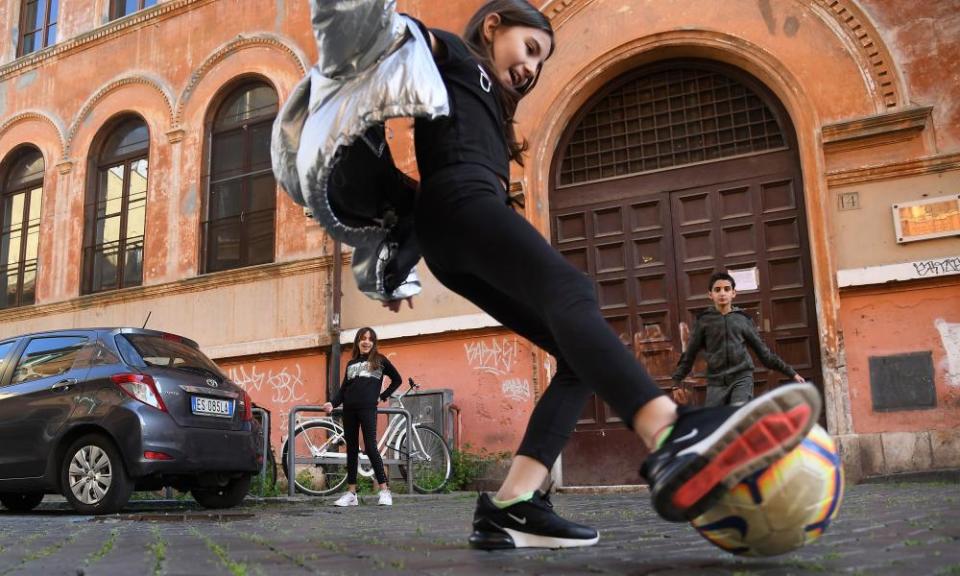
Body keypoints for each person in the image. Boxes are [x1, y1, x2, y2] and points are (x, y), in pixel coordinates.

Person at [274, 0, 820, 550]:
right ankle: (671, 431)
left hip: (454, 229)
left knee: (575, 358)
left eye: (542, 62)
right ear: (493, 26)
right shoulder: (463, 59)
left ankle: (514, 505)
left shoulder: (486, 102)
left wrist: (406, 255)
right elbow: (394, 31)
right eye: (531, 48)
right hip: (461, 208)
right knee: (573, 290)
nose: (533, 68)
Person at [672, 271, 807, 408]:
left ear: (733, 293)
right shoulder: (704, 321)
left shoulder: (743, 320)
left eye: (727, 289)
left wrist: (791, 373)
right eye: (717, 290)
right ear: (710, 295)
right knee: (716, 421)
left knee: (738, 414)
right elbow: (690, 354)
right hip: (716, 381)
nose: (722, 293)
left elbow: (764, 354)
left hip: (741, 378)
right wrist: (676, 381)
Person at [322, 327, 402, 507]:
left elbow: (397, 379)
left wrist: (382, 396)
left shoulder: (380, 361)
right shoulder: (351, 364)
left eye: (370, 339)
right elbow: (343, 390)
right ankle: (351, 494)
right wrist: (332, 404)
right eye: (363, 338)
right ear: (358, 341)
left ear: (373, 343)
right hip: (349, 410)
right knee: (351, 450)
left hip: (368, 409)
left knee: (371, 447)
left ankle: (384, 491)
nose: (366, 342)